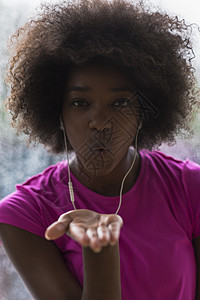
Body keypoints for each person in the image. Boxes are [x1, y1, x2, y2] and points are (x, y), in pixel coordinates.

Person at [0, 0, 200, 299]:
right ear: (58, 113)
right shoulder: (25, 213)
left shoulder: (190, 187)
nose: (100, 123)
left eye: (120, 103)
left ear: (143, 113)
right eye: (80, 103)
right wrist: (100, 251)